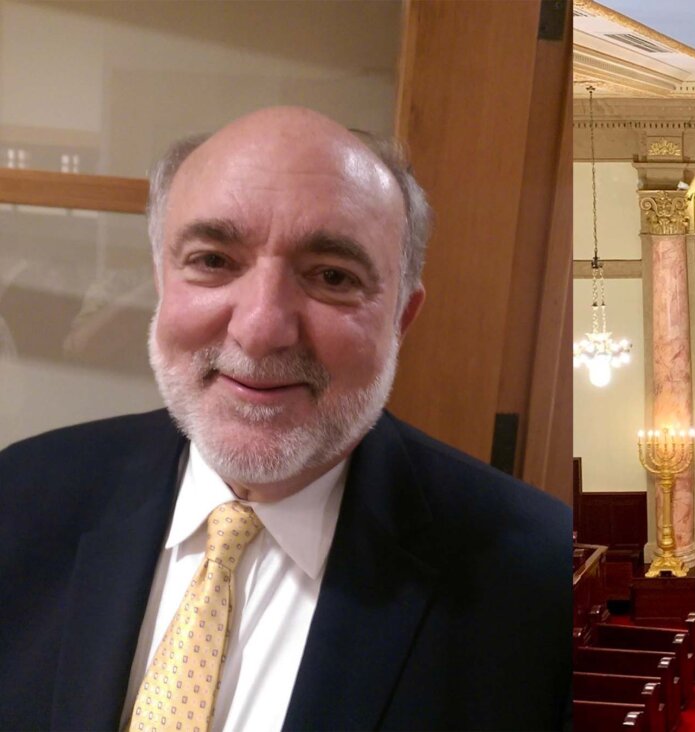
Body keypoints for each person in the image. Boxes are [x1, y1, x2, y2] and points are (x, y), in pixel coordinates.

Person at [0, 107, 572, 731]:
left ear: (401, 319)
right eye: (213, 261)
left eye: (331, 276)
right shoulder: (20, 496)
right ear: (163, 279)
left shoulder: (540, 587)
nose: (261, 329)